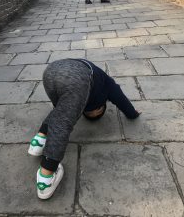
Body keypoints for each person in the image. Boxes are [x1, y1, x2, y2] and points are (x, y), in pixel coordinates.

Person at [28, 58, 141, 200]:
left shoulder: (93, 89)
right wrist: (133, 114)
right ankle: (46, 177)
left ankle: (39, 139)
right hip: (77, 75)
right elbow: (119, 96)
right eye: (97, 111)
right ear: (102, 105)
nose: (93, 112)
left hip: (51, 71)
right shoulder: (107, 87)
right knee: (63, 122)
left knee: (61, 111)